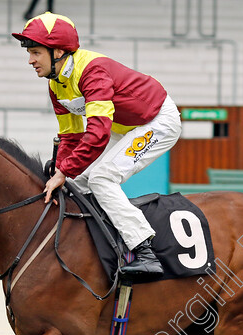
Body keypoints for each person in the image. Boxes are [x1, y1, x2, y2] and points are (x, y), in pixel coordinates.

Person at [13, 12, 182, 276]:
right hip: (122, 127)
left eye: (35, 52)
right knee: (75, 183)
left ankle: (145, 250)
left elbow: (97, 134)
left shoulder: (92, 71)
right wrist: (62, 170)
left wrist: (63, 170)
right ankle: (98, 241)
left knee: (101, 178)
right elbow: (70, 135)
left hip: (157, 121)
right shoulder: (56, 84)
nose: (30, 60)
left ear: (57, 50)